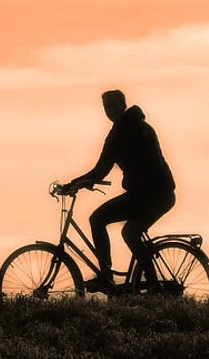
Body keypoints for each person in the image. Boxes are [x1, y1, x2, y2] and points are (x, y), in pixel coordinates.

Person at [66, 89, 176, 293]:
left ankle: (149, 282)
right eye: (106, 107)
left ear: (123, 105)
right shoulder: (125, 131)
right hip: (146, 194)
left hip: (155, 194)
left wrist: (77, 183)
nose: (109, 110)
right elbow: (102, 169)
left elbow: (103, 170)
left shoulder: (131, 131)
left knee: (123, 229)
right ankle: (112, 278)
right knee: (109, 223)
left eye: (113, 105)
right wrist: (79, 182)